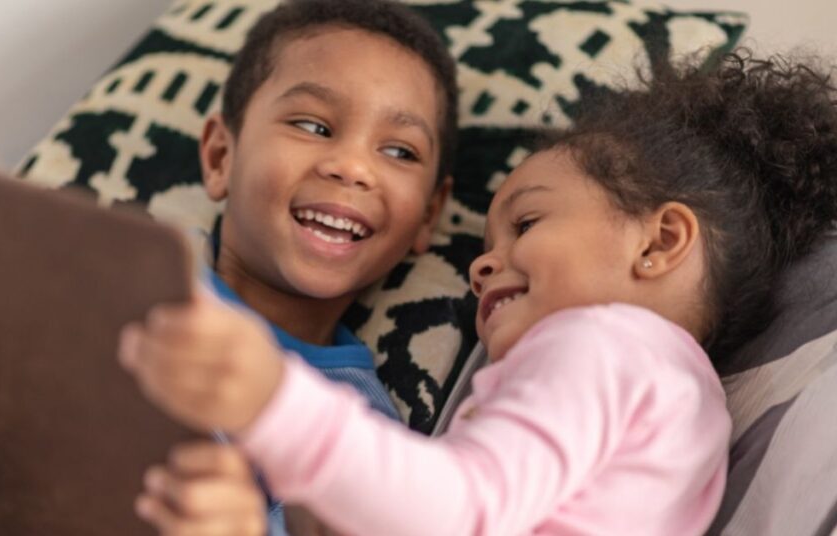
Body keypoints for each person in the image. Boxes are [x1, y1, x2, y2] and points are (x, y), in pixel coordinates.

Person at [120, 49, 837, 535]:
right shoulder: (686, 404)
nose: (481, 267)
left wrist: (276, 404)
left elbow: (460, 508)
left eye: (525, 221)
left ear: (658, 242)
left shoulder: (603, 344)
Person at [128, 0, 458, 533]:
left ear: (429, 214)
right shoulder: (121, 275)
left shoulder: (365, 442)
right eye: (313, 125)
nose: (352, 168)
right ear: (220, 157)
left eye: (399, 152)